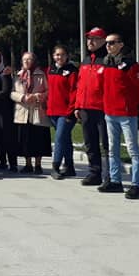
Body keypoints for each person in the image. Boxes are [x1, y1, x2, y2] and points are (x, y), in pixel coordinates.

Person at [99, 34, 139, 199]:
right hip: (109, 113)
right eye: (107, 43)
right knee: (112, 149)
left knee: (133, 150)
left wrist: (134, 106)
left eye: (112, 43)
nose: (108, 45)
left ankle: (137, 185)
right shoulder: (106, 63)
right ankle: (115, 181)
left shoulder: (131, 65)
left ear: (121, 44)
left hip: (127, 113)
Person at [75, 27, 110, 186]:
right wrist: (77, 106)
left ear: (103, 41)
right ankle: (94, 173)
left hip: (103, 109)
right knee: (90, 142)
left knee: (106, 143)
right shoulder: (86, 61)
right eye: (88, 39)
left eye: (94, 39)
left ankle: (110, 174)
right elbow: (80, 84)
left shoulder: (108, 60)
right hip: (85, 108)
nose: (90, 42)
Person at [10, 51, 52, 174]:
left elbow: (48, 91)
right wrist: (22, 97)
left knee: (38, 138)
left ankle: (38, 165)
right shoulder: (18, 75)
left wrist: (38, 96)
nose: (27, 62)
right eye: (25, 60)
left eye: (30, 59)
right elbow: (12, 92)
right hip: (23, 111)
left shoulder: (41, 74)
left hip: (37, 110)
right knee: (25, 139)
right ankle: (27, 164)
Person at [46, 45, 79, 180]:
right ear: (53, 56)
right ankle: (70, 166)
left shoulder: (72, 71)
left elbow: (74, 92)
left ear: (67, 56)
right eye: (57, 55)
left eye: (62, 54)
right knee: (65, 139)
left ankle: (55, 166)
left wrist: (70, 111)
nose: (59, 57)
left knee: (59, 138)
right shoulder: (51, 69)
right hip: (52, 111)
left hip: (66, 112)